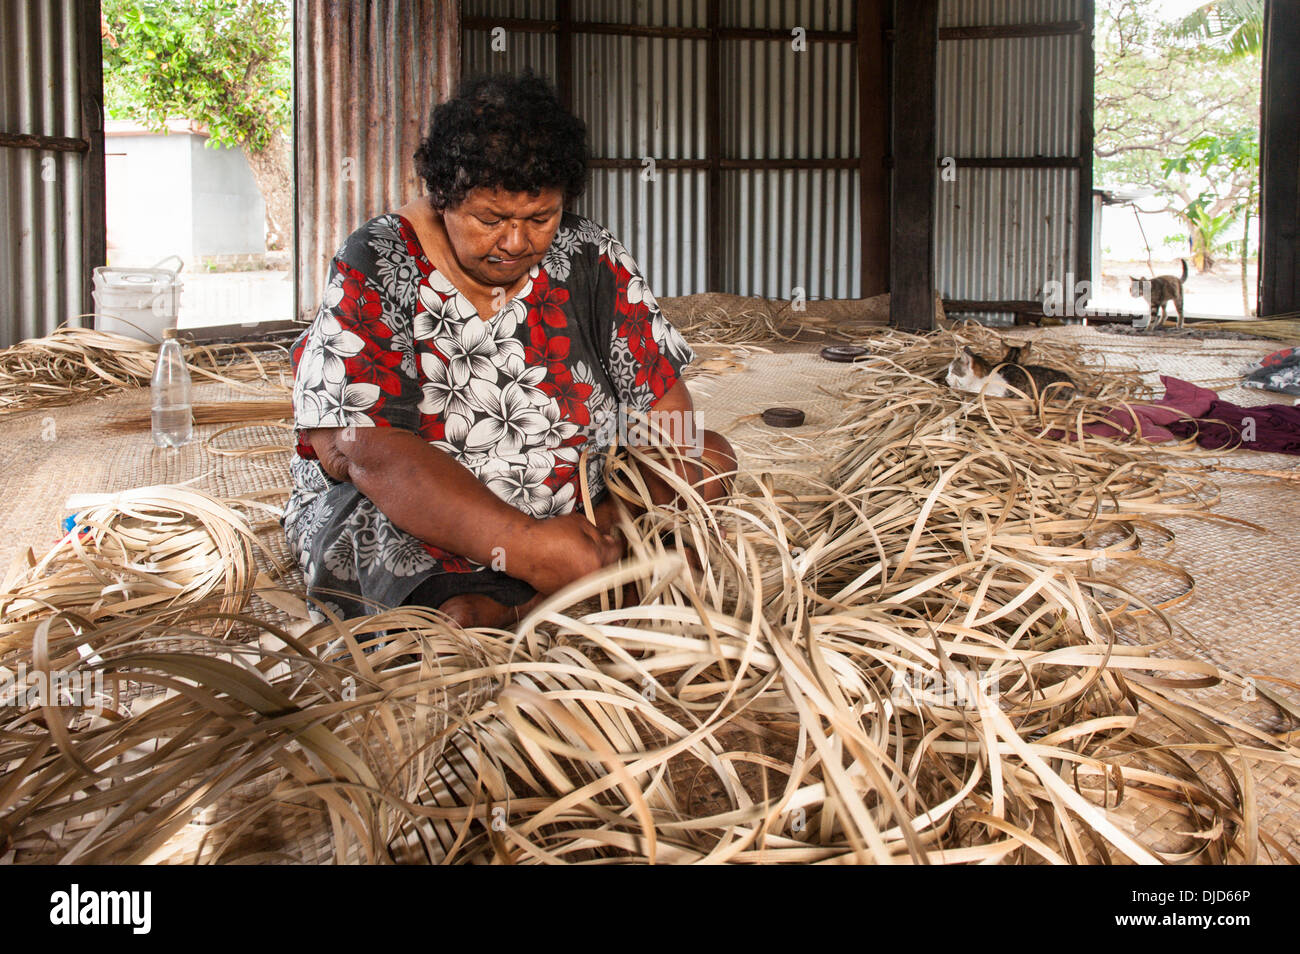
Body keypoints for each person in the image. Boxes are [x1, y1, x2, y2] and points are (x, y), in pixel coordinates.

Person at [282, 71, 736, 630]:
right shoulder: (379, 259)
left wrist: (625, 507)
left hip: (583, 498)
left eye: (539, 219)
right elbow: (361, 448)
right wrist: (521, 545)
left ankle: (571, 578)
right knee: (407, 570)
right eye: (490, 220)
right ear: (443, 197)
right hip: (434, 513)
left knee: (708, 455)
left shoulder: (590, 254)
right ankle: (557, 589)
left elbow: (662, 408)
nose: (516, 242)